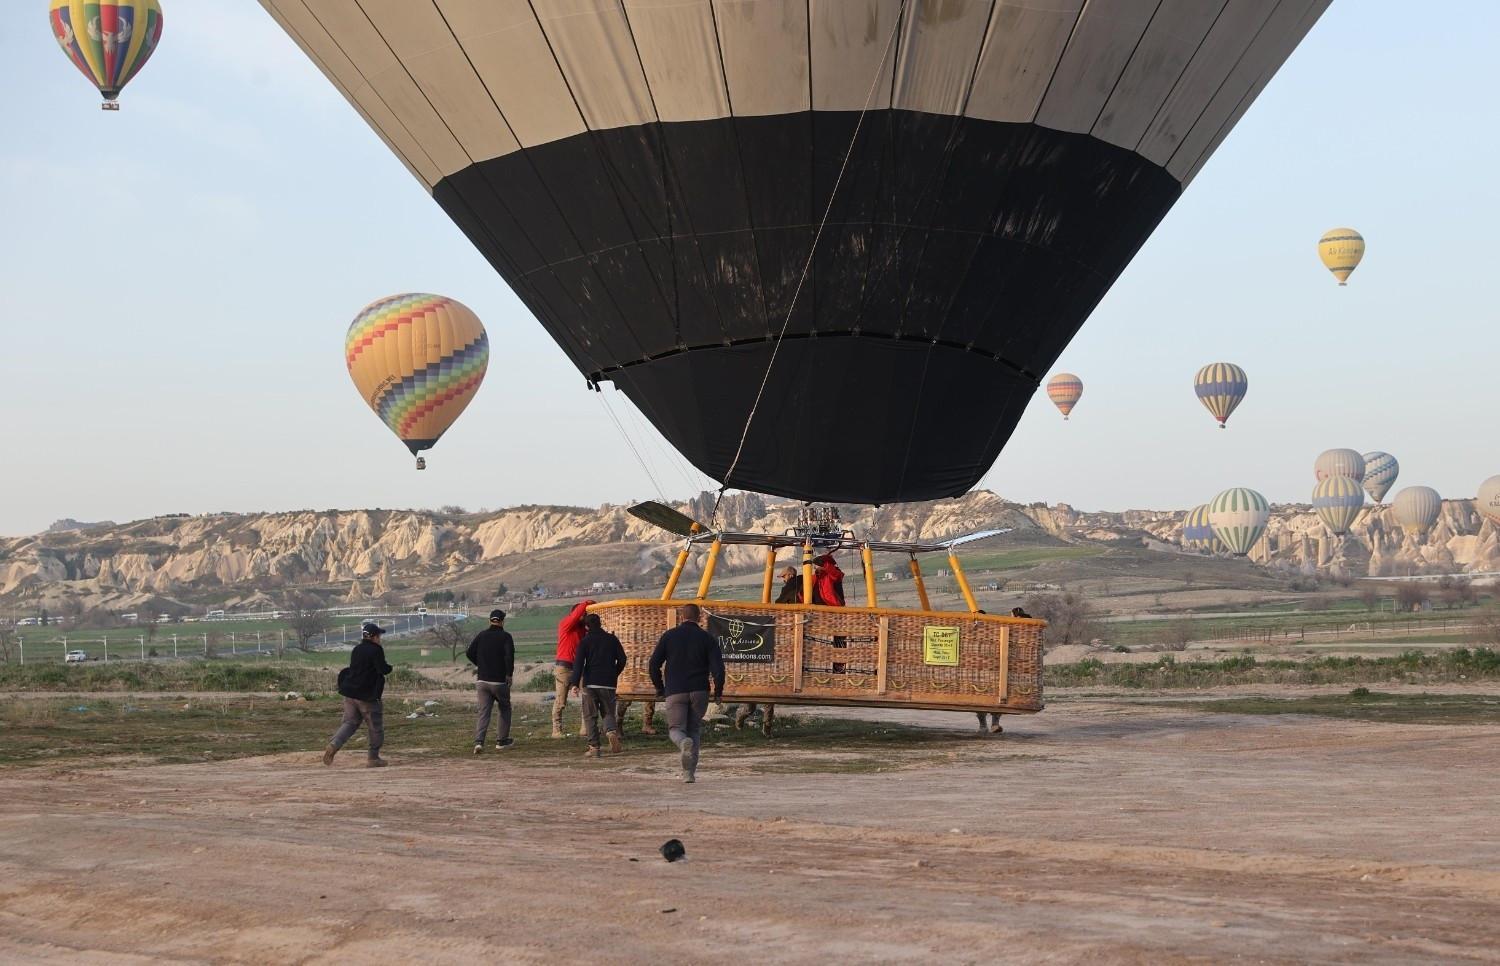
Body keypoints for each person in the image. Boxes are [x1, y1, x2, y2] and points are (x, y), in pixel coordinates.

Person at [648, 603, 724, 783]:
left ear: (682, 617)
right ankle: (688, 774)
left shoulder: (669, 636)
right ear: (699, 617)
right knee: (694, 730)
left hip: (675, 690)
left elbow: (653, 665)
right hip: (700, 690)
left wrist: (660, 688)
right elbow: (718, 669)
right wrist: (718, 692)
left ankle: (682, 743)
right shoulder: (707, 638)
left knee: (676, 729)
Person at [323, 622, 393, 767]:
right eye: (379, 636)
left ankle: (334, 744)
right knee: (375, 726)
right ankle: (373, 758)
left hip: (350, 693)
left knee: (349, 722)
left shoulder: (357, 649)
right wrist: (389, 668)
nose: (380, 638)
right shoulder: (376, 650)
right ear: (373, 637)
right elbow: (382, 669)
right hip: (367, 695)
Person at [569, 613, 628, 757]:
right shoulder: (612, 639)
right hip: (608, 682)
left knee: (590, 716)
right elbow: (622, 659)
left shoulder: (585, 641)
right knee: (608, 712)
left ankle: (594, 747)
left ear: (587, 626)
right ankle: (611, 731)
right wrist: (614, 673)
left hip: (590, 683)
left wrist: (575, 683)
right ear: (600, 624)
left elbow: (578, 664)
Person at [466, 609, 515, 753]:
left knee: (483, 711)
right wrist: (509, 674)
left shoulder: (481, 635)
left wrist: (480, 665)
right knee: (505, 708)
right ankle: (502, 741)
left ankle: (479, 742)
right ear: (502, 621)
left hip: (482, 681)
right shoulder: (506, 637)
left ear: (490, 621)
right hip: (499, 682)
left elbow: (469, 653)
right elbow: (509, 657)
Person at [551, 598, 595, 738]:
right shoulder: (565, 624)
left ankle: (585, 729)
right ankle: (556, 730)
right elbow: (576, 616)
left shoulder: (583, 630)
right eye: (584, 614)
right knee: (560, 701)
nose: (585, 617)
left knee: (587, 698)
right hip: (564, 666)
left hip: (579, 667)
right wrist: (588, 603)